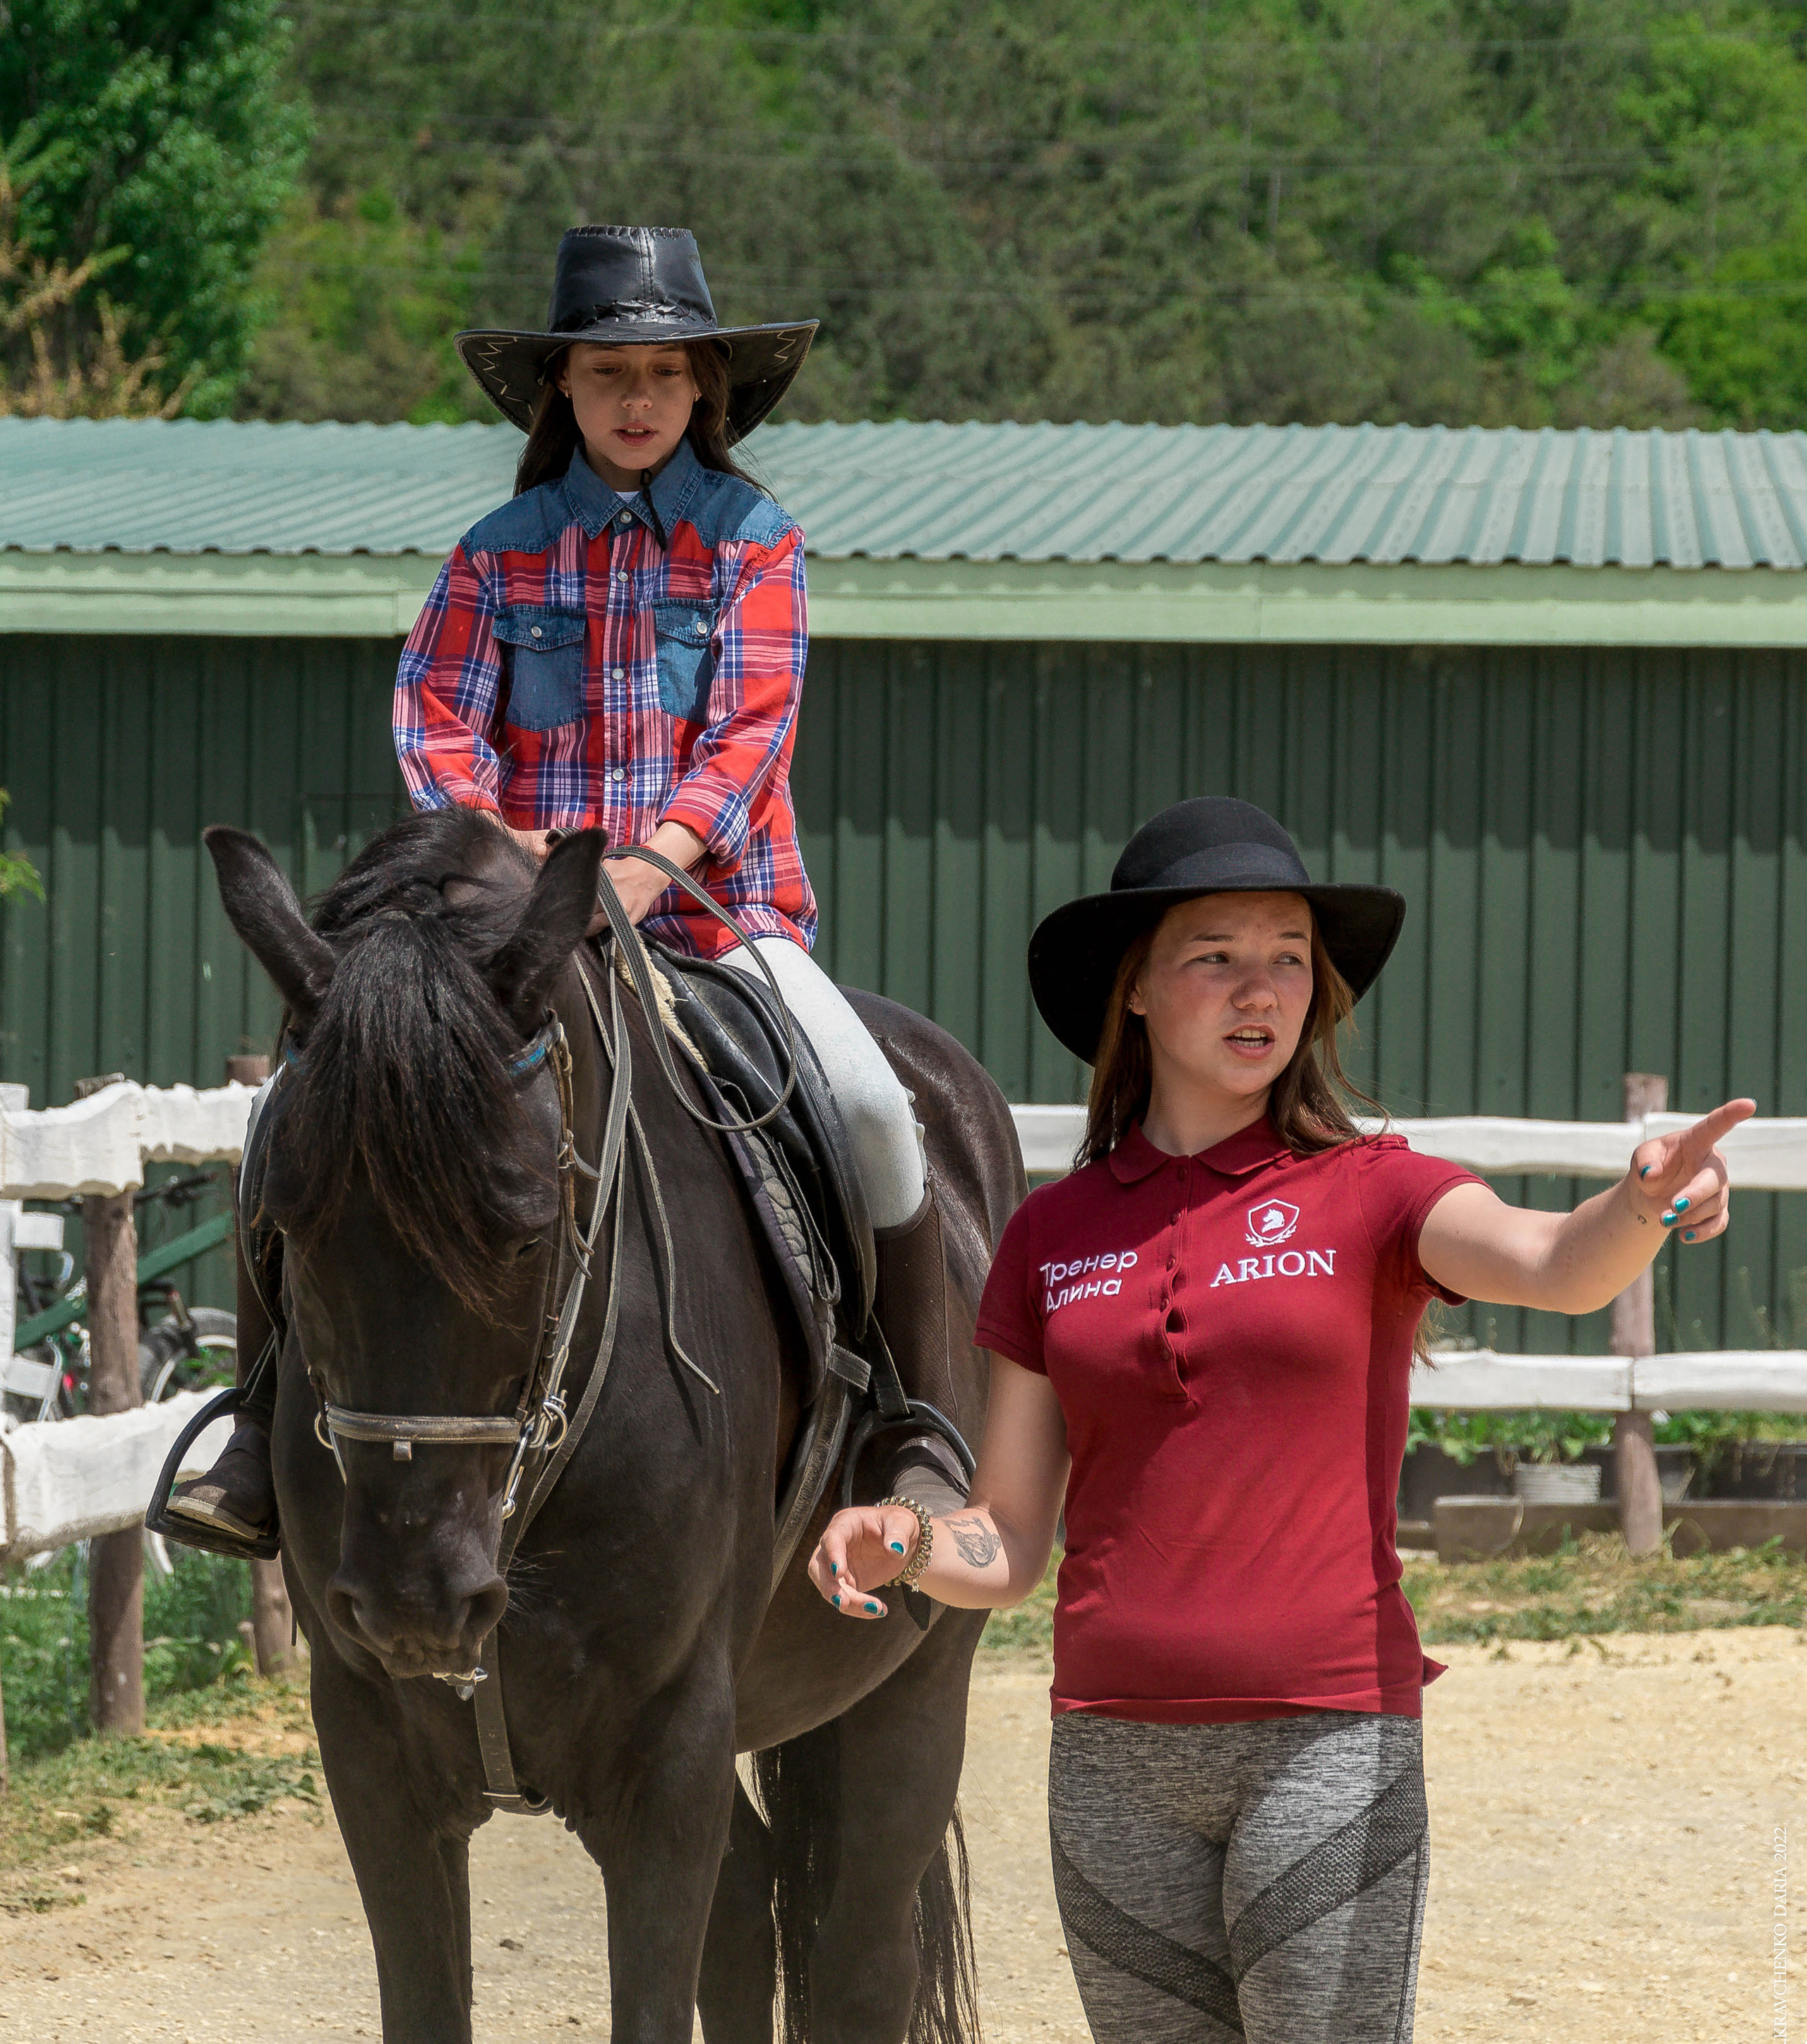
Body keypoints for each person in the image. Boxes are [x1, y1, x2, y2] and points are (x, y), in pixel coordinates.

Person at [808, 795, 1752, 2044]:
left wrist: (1642, 1207)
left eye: (1290, 963)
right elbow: (1010, 1541)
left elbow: (1554, 1263)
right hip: (1110, 1763)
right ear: (1136, 991)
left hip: (1329, 1745)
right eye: (1218, 960)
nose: (1262, 992)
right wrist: (911, 1541)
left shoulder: (1377, 1190)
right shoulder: (1051, 1234)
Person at [172, 225, 941, 1547]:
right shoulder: (494, 551)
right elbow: (436, 725)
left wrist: (648, 869)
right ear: (562, 392)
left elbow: (755, 731)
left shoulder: (757, 541)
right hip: (509, 939)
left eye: (661, 373)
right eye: (605, 374)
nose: (635, 401)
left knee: (869, 1103)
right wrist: (511, 864)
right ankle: (254, 1421)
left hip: (719, 917)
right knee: (302, 1102)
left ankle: (912, 1422)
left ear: (705, 387)